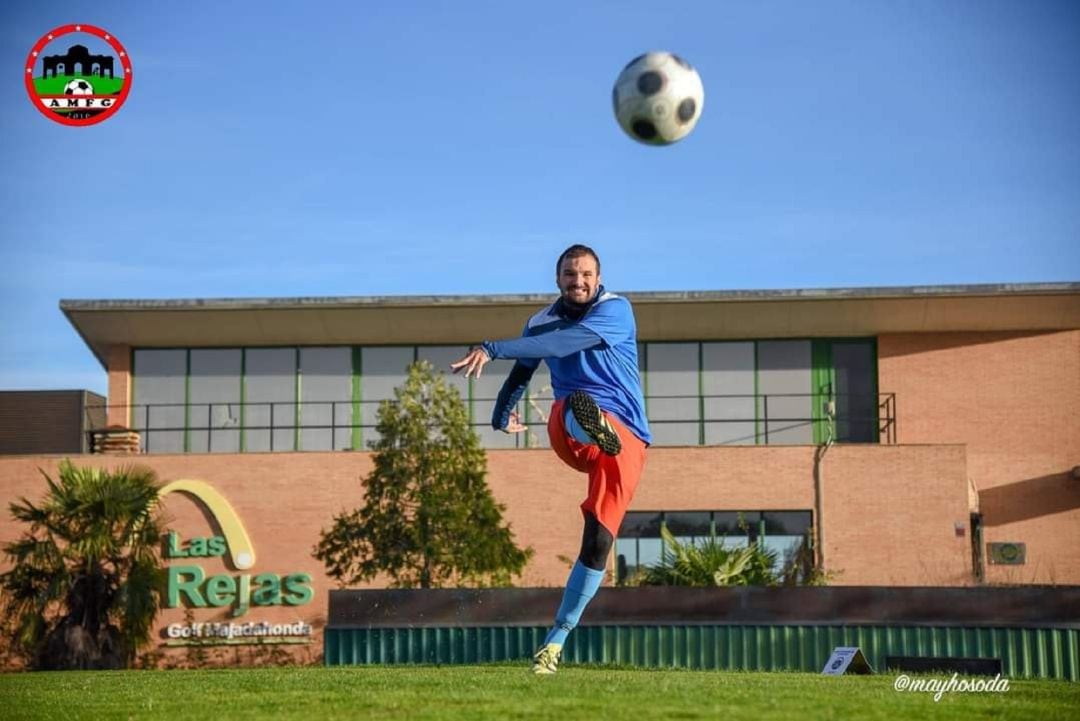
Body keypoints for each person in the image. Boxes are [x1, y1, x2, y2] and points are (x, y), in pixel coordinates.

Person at [450, 244, 651, 675]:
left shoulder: (618, 310)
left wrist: (490, 346)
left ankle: (555, 642)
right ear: (557, 278)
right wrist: (501, 415)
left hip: (627, 438)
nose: (577, 282)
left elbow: (566, 343)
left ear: (598, 278)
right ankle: (589, 424)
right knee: (569, 405)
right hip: (571, 429)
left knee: (598, 540)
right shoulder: (540, 320)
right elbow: (524, 369)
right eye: (569, 275)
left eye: (585, 275)